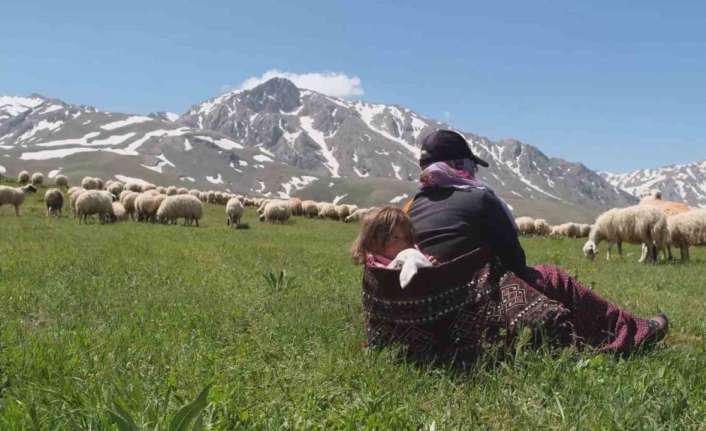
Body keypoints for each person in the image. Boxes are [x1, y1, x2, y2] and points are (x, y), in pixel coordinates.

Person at [404, 129, 668, 355]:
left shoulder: (413, 205)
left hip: (428, 308)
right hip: (472, 303)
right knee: (554, 278)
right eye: (470, 165)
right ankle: (629, 333)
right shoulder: (480, 199)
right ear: (459, 165)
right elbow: (516, 263)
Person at [351, 206, 435, 288]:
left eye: (407, 237)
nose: (405, 242)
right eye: (396, 237)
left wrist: (429, 261)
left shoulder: (411, 249)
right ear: (375, 243)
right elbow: (387, 278)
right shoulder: (376, 264)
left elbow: (419, 258)